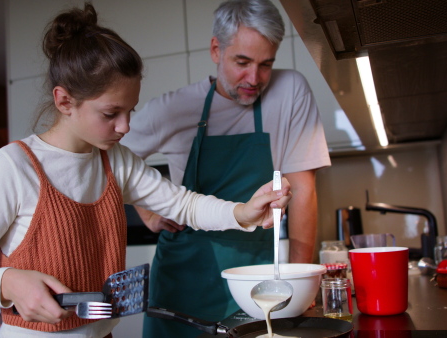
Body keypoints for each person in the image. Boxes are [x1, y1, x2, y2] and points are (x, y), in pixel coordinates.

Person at [0, 3, 292, 337]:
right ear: (64, 101)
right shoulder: (15, 167)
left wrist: (243, 212)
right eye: (111, 114)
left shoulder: (114, 161)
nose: (125, 127)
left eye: (130, 112)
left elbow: (183, 205)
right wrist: (8, 282)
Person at [120, 0, 331, 336]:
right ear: (216, 50)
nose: (254, 78)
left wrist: (299, 286)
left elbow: (303, 190)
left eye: (266, 64)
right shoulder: (176, 109)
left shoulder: (290, 91)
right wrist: (147, 211)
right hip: (183, 280)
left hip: (257, 279)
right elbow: (108, 158)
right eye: (242, 62)